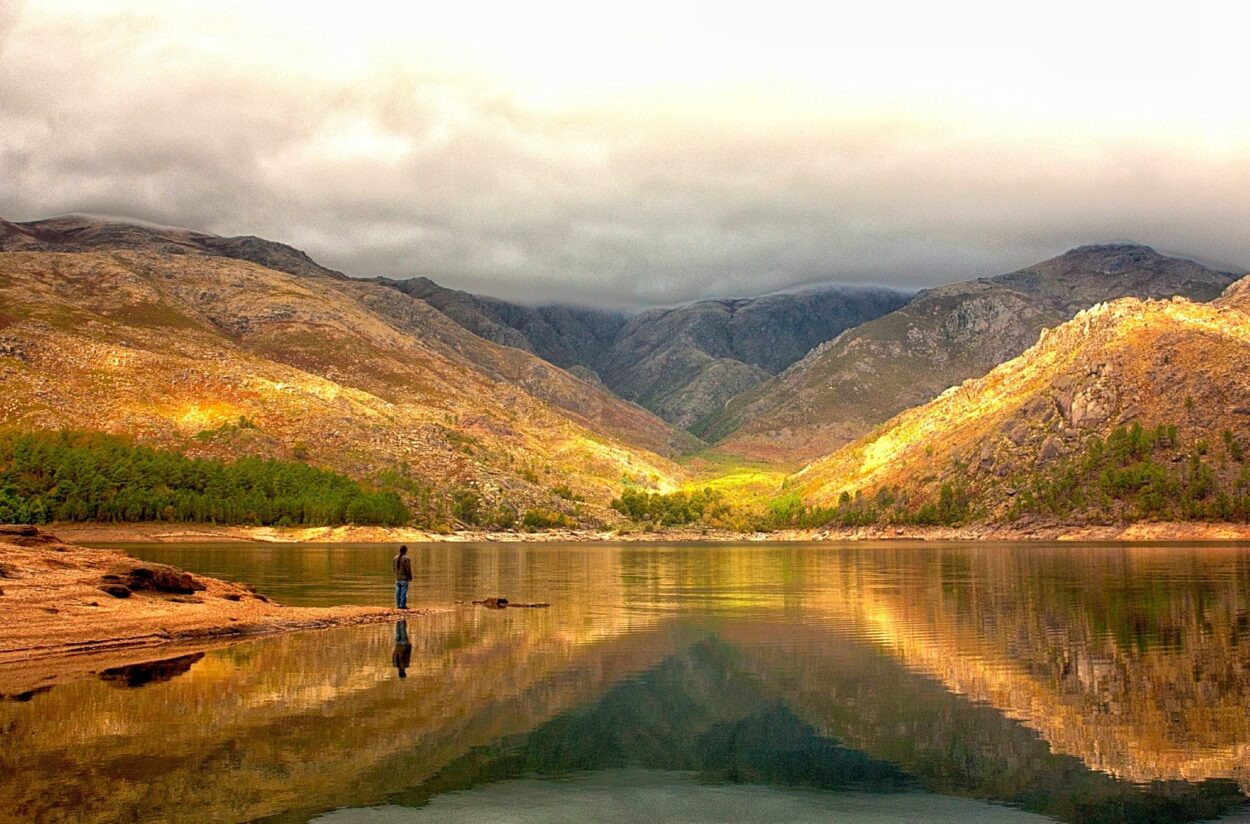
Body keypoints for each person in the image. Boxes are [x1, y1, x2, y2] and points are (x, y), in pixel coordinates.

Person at [393, 545, 412, 609]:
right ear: (405, 551)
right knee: (403, 592)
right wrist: (410, 577)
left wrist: (396, 575)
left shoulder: (395, 558)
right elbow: (408, 569)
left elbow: (394, 568)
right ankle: (402, 605)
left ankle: (398, 605)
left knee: (398, 592)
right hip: (404, 579)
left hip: (397, 578)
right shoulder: (406, 559)